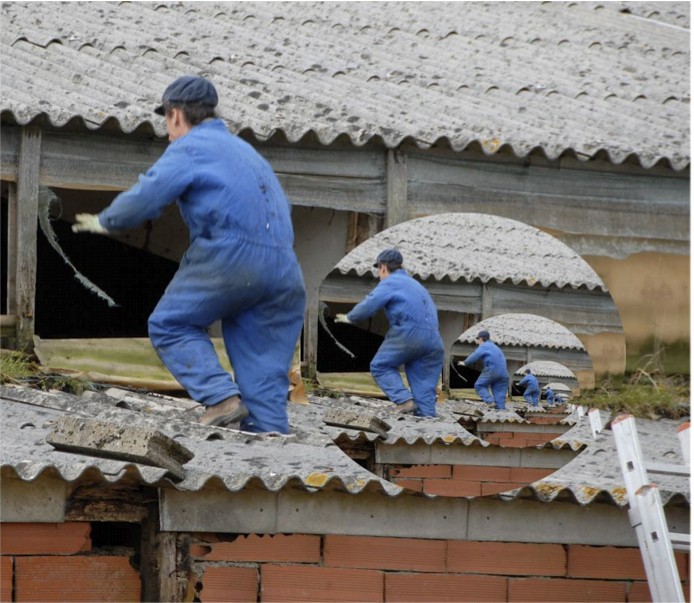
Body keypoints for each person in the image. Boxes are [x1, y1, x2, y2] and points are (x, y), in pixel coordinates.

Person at [72, 75, 306, 434]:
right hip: (286, 269)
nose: (167, 132)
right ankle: (269, 443)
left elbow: (148, 196)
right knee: (263, 373)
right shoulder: (249, 153)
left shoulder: (191, 147)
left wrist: (105, 221)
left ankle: (220, 397)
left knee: (171, 324)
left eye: (166, 121)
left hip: (232, 254)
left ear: (176, 115)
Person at [335, 249, 444, 417]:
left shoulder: (391, 282)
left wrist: (350, 318)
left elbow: (370, 304)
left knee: (380, 366)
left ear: (383, 267)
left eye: (378, 270)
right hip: (434, 339)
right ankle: (427, 417)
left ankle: (403, 400)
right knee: (424, 382)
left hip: (409, 333)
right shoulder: (418, 285)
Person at [458, 330, 508, 410]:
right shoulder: (496, 347)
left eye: (477, 339)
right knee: (499, 392)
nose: (477, 342)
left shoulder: (484, 346)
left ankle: (490, 401)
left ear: (481, 339)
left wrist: (465, 363)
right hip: (504, 373)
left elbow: (475, 355)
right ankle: (501, 410)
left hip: (492, 370)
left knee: (479, 385)